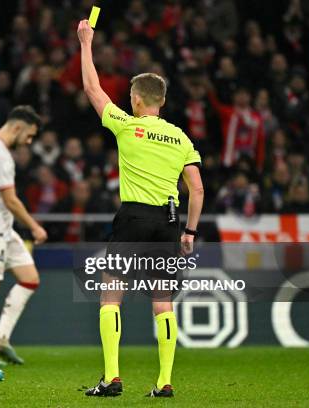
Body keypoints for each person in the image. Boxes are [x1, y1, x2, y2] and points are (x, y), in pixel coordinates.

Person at [77, 20, 204, 398]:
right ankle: (164, 382)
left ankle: (112, 377)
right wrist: (190, 232)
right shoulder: (180, 137)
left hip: (133, 217)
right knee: (162, 300)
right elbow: (196, 188)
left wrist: (87, 43)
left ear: (135, 100)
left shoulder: (126, 125)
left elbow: (91, 88)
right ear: (161, 102)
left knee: (111, 291)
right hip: (169, 220)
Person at [0, 105, 47, 366]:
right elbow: (11, 199)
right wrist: (34, 227)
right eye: (29, 135)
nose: (29, 141)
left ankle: (0, 339)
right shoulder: (1, 155)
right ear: (16, 127)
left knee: (30, 278)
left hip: (1, 226)